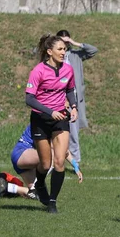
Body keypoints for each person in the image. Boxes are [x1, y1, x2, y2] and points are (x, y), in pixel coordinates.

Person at [25, 33, 78, 213]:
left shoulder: (68, 70)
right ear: (49, 52)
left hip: (61, 119)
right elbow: (29, 99)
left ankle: (53, 201)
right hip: (41, 119)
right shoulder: (38, 71)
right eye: (60, 49)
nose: (64, 52)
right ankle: (40, 184)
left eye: (65, 49)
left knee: (60, 161)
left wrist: (74, 106)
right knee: (45, 164)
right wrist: (50, 111)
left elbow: (70, 90)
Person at [57, 30, 98, 166]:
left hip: (74, 98)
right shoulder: (55, 58)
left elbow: (93, 50)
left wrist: (75, 43)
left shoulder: (75, 55)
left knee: (73, 132)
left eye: (66, 42)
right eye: (61, 42)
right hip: (58, 97)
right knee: (57, 130)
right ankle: (55, 160)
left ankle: (76, 162)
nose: (64, 46)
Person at [9, 124, 84, 199]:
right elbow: (58, 150)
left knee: (39, 196)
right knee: (53, 154)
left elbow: (64, 150)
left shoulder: (51, 125)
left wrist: (75, 166)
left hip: (29, 157)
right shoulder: (41, 124)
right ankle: (36, 184)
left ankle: (7, 187)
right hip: (21, 153)